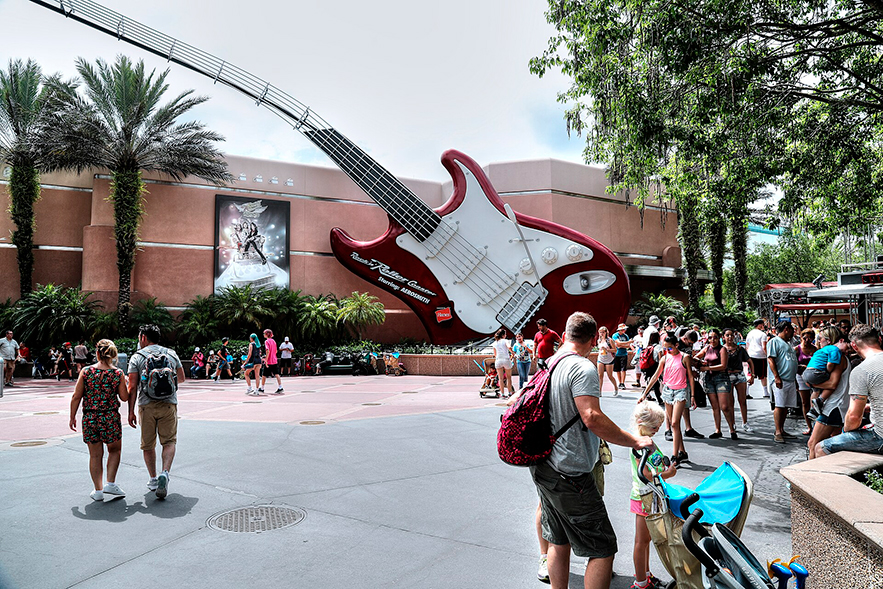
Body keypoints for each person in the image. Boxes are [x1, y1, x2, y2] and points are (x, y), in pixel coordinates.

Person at [531, 311, 653, 589]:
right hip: (570, 471)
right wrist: (634, 440)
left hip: (544, 465)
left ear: (565, 335)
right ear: (592, 340)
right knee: (602, 548)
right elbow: (591, 416)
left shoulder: (551, 363)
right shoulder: (582, 368)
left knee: (558, 541)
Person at [127, 324, 185, 499]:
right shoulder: (171, 354)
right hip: (169, 404)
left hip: (146, 405)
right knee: (169, 442)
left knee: (148, 444)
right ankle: (165, 473)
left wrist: (130, 412)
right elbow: (181, 378)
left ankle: (153, 479)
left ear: (143, 337)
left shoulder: (137, 357)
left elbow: (132, 386)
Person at [69, 339, 129, 501]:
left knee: (95, 456)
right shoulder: (117, 374)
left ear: (97, 353)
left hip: (90, 417)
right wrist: (127, 384)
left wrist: (72, 416)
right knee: (114, 450)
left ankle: (98, 490)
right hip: (110, 417)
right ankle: (110, 483)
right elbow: (124, 398)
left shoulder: (86, 372)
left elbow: (76, 396)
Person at [629, 401, 677, 589]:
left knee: (646, 540)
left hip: (651, 495)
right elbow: (646, 475)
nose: (657, 429)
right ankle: (641, 582)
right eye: (654, 426)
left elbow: (653, 466)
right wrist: (668, 474)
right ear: (642, 423)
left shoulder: (647, 440)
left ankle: (645, 576)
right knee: (641, 541)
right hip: (643, 497)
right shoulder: (640, 444)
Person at [816, 324, 883, 457]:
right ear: (879, 340)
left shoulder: (861, 370)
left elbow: (854, 417)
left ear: (853, 346)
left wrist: (845, 431)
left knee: (820, 448)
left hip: (880, 437)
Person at [639, 335, 696, 465]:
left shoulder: (684, 357)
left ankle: (675, 456)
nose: (667, 350)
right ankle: (683, 453)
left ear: (676, 345)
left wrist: (692, 396)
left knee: (675, 423)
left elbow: (691, 377)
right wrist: (644, 393)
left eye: (669, 348)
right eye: (665, 348)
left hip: (681, 391)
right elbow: (655, 376)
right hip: (667, 391)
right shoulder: (665, 358)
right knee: (672, 424)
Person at [696, 329, 738, 440]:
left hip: (721, 378)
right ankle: (717, 430)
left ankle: (732, 429)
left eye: (715, 337)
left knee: (724, 406)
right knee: (715, 407)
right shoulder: (706, 348)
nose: (712, 340)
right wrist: (699, 362)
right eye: (710, 337)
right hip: (709, 379)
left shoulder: (722, 349)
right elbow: (696, 357)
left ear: (719, 338)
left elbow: (723, 365)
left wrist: (707, 367)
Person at [767, 320, 800, 443]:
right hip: (780, 379)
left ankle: (782, 429)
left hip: (790, 379)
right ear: (786, 329)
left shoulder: (787, 343)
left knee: (786, 406)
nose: (793, 333)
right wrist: (776, 377)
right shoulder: (774, 341)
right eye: (792, 330)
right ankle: (777, 431)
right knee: (780, 406)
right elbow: (771, 359)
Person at [803, 326, 847, 417]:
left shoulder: (823, 350)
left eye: (820, 338)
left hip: (807, 373)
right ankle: (820, 400)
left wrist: (811, 384)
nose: (818, 341)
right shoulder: (835, 350)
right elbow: (832, 382)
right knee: (829, 382)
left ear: (829, 340)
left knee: (815, 391)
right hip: (832, 404)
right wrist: (828, 371)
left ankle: (813, 410)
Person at [723, 328, 755, 433]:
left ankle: (745, 423)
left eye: (731, 335)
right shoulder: (722, 350)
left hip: (740, 375)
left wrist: (752, 375)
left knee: (742, 400)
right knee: (730, 402)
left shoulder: (740, 349)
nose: (730, 337)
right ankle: (732, 424)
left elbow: (749, 361)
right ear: (723, 337)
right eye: (727, 335)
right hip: (727, 376)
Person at [795, 328, 818, 436]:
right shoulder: (797, 349)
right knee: (805, 402)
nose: (807, 340)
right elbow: (793, 365)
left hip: (814, 377)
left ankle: (817, 425)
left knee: (815, 402)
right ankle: (809, 426)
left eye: (810, 338)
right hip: (801, 376)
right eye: (805, 337)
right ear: (801, 337)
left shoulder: (816, 349)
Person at [745, 319, 770, 398]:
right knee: (763, 375)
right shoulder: (763, 335)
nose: (764, 326)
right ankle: (765, 393)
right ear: (759, 325)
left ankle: (746, 392)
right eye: (763, 324)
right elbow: (764, 347)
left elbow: (747, 346)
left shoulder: (750, 333)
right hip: (761, 356)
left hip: (751, 356)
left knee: (751, 373)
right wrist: (768, 356)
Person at [259, 328, 284, 394]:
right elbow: (275, 351)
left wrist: (266, 360)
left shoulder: (267, 341)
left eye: (264, 333)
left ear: (267, 334)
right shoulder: (274, 341)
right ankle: (280, 387)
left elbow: (267, 351)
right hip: (274, 360)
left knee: (264, 375)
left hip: (269, 361)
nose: (263, 335)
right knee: (277, 374)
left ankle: (262, 388)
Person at [492, 328, 515, 397]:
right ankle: (510, 392)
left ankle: (502, 393)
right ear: (503, 335)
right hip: (506, 359)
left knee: (500, 378)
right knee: (508, 378)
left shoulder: (495, 343)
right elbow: (509, 347)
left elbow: (495, 354)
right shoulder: (505, 341)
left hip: (498, 360)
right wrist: (513, 353)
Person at [596, 326, 619, 395]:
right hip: (601, 358)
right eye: (600, 332)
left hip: (609, 359)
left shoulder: (610, 340)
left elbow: (615, 350)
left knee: (610, 376)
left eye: (603, 332)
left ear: (606, 332)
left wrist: (607, 350)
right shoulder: (599, 340)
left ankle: (615, 388)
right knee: (600, 375)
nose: (601, 333)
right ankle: (599, 391)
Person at [612, 323, 632, 391]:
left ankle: (622, 382)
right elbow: (618, 343)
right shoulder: (615, 335)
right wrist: (625, 344)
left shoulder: (626, 336)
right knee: (618, 370)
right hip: (617, 354)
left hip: (624, 354)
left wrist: (622, 345)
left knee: (623, 369)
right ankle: (620, 382)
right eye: (623, 329)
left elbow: (628, 345)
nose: (624, 330)